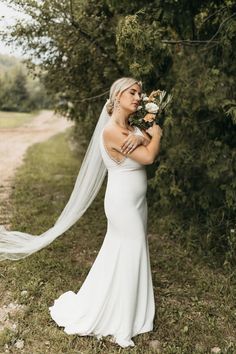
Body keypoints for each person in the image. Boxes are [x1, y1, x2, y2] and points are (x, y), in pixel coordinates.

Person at [49, 77, 163, 348]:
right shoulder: (112, 130)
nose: (138, 97)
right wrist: (156, 132)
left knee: (124, 253)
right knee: (130, 250)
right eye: (132, 92)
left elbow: (144, 144)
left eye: (139, 93)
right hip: (122, 203)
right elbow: (149, 156)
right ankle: (121, 321)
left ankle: (132, 310)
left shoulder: (131, 128)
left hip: (137, 203)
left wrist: (143, 134)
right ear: (117, 96)